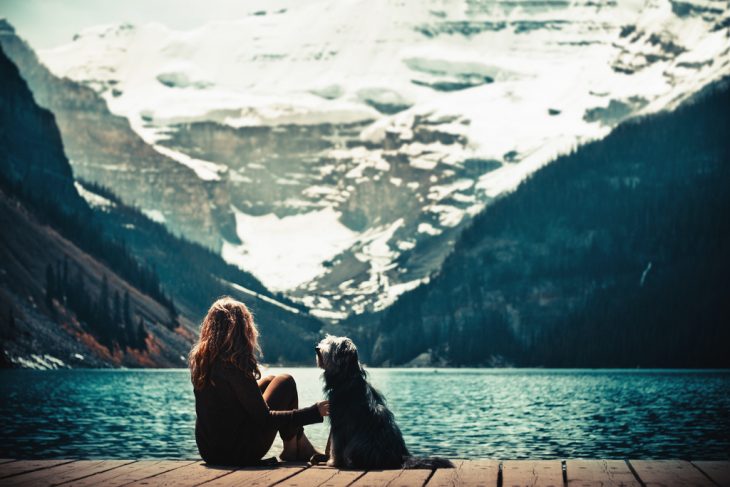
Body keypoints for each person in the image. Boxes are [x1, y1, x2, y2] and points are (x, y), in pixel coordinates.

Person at [189, 296, 328, 465]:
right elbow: (266, 419)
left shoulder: (203, 361)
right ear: (242, 329)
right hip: (238, 453)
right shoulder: (233, 365)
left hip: (209, 452)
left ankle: (299, 446)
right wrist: (314, 412)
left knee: (270, 381)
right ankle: (292, 449)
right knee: (285, 382)